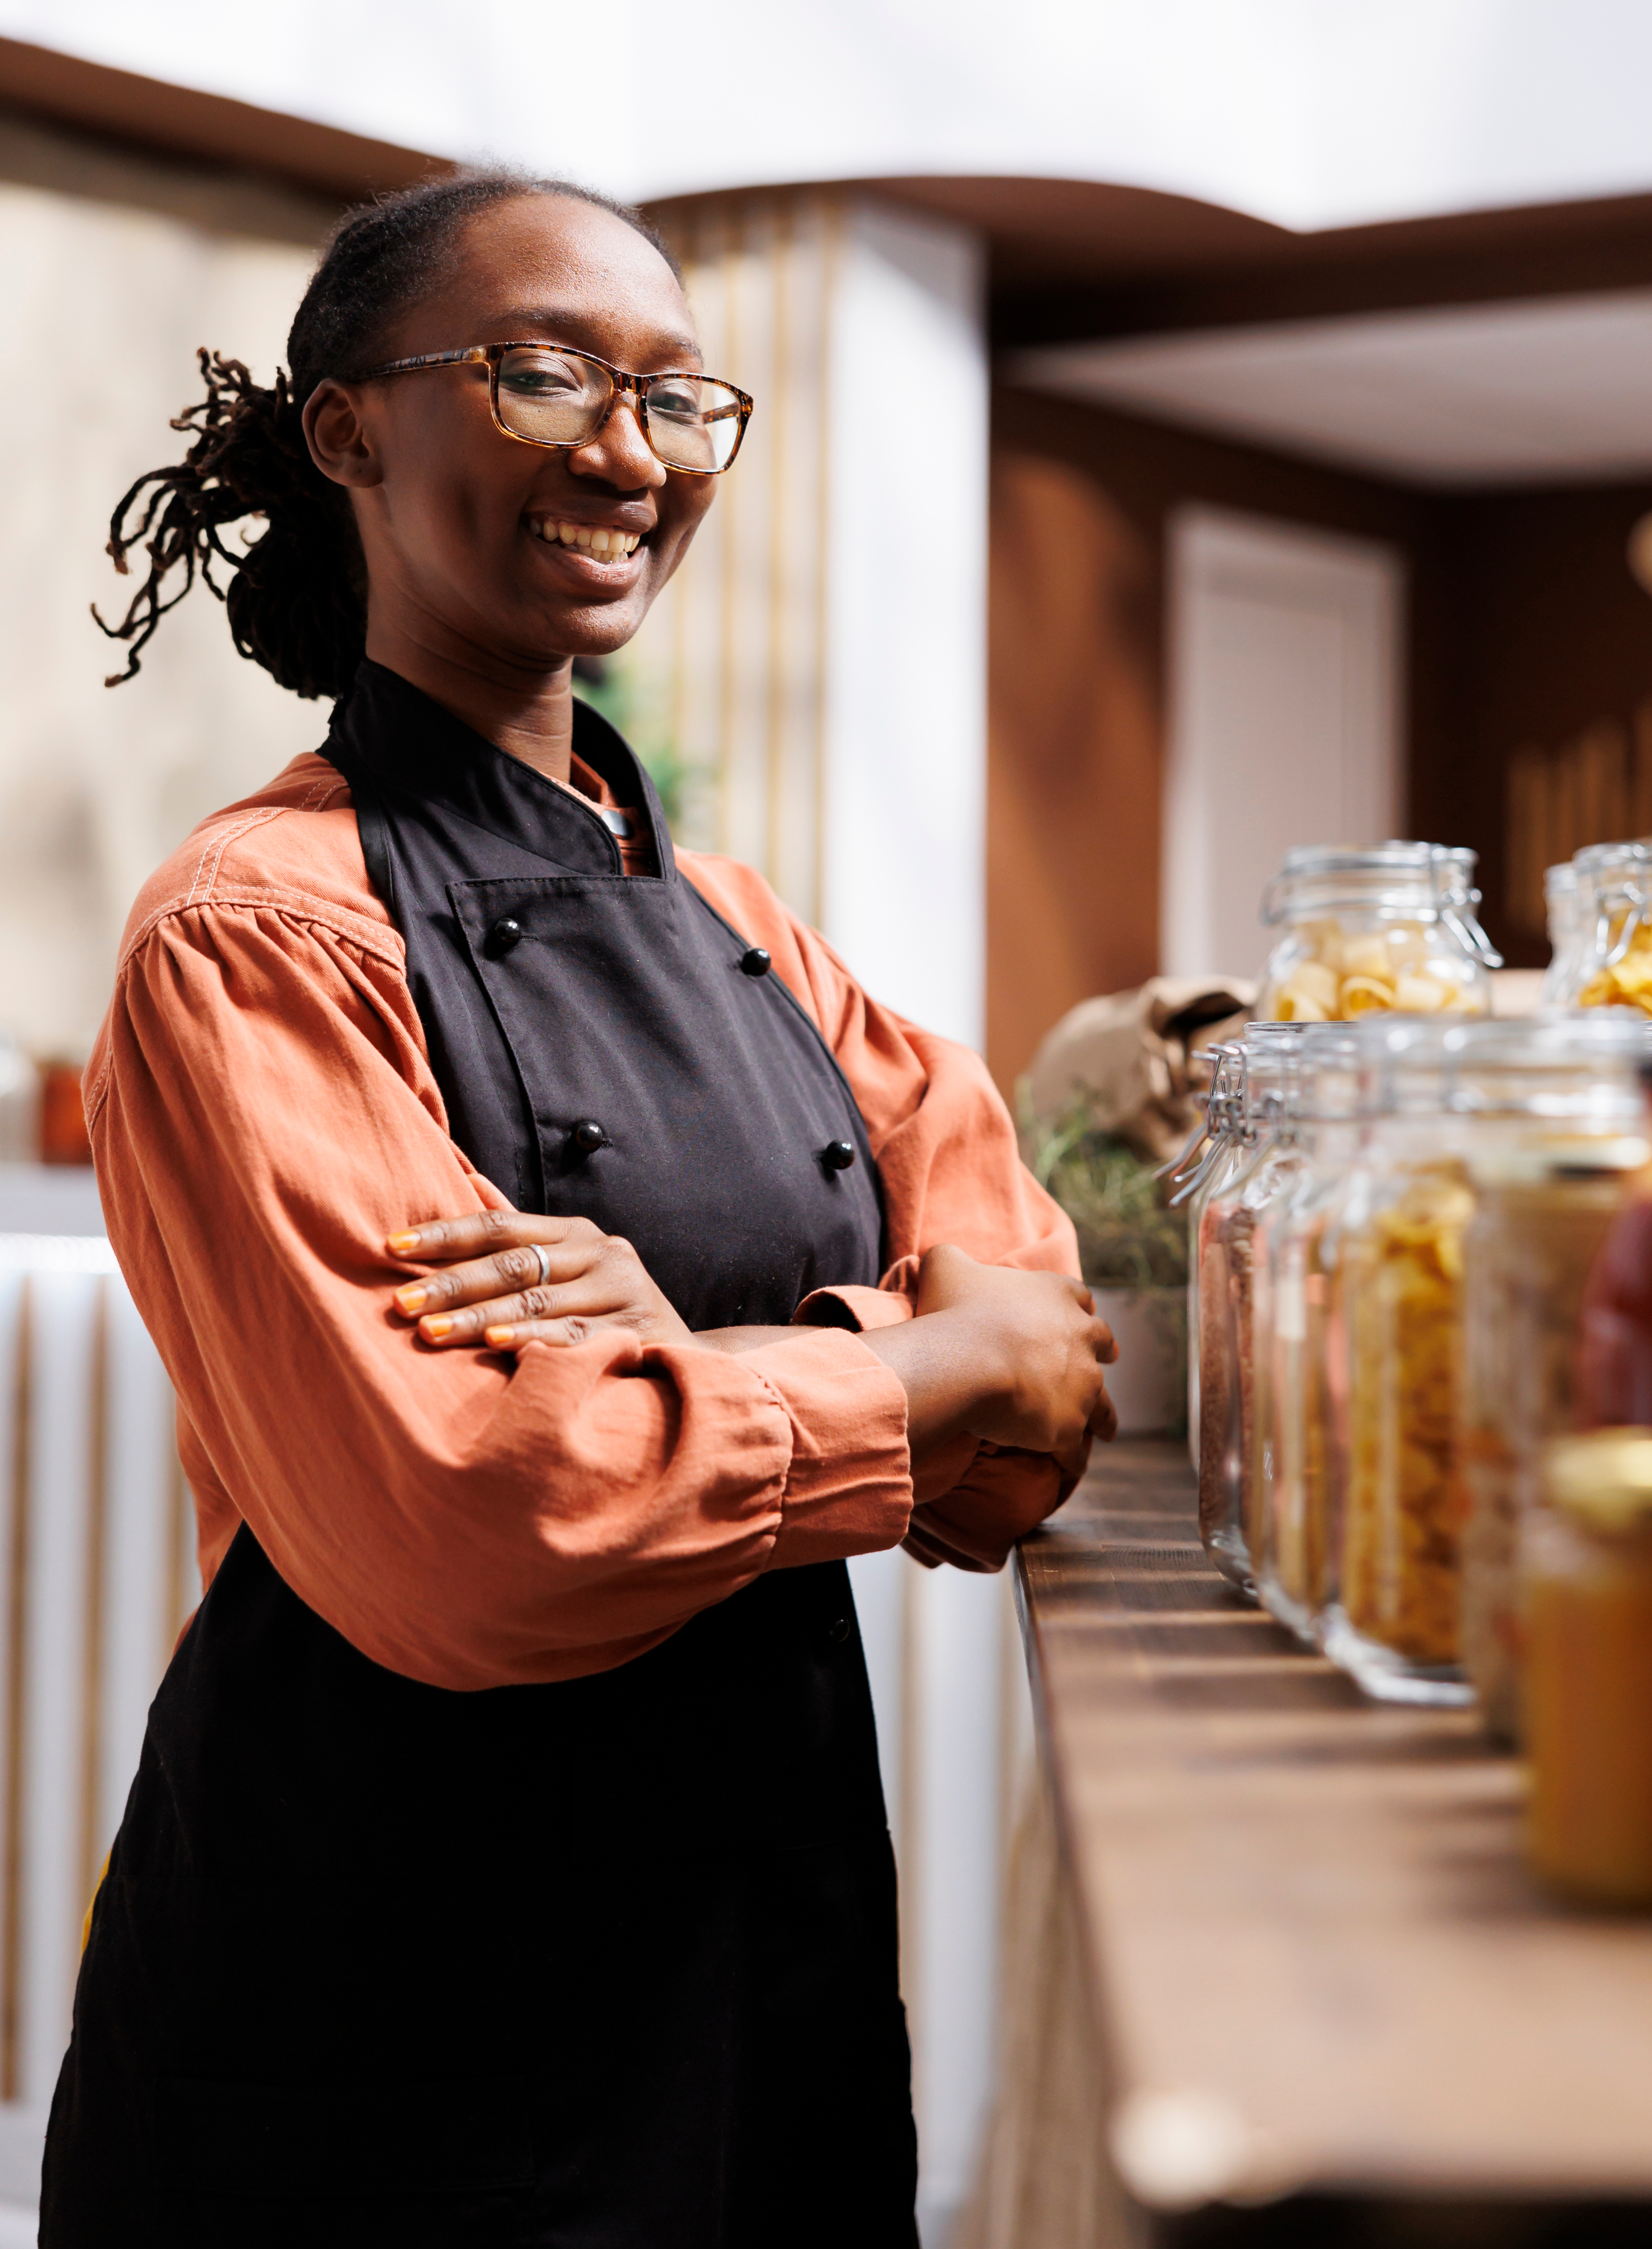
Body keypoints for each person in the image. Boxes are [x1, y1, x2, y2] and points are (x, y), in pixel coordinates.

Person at [41, 172, 1115, 2248]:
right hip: (375, 1986)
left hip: (749, 1931)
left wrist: (696, 1369)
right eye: (543, 375)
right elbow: (476, 1524)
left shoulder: (735, 922)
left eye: (675, 394)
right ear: (350, 430)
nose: (627, 451)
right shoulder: (254, 932)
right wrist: (913, 1357)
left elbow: (1040, 1395)